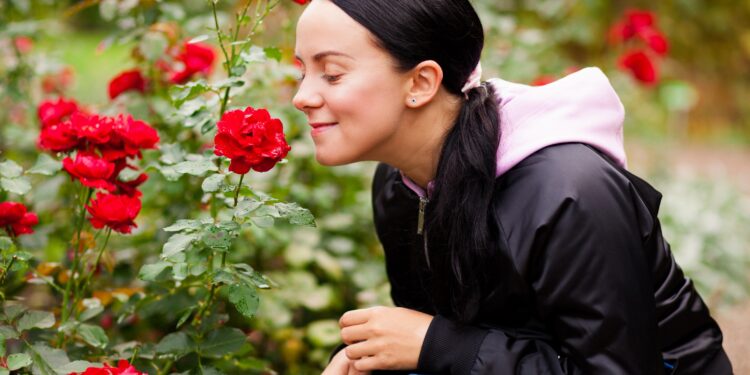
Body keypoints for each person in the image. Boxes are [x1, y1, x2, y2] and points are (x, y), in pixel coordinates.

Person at [291, 1, 734, 374]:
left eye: (331, 74)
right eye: (301, 71)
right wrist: (360, 359)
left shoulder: (568, 192)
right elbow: (430, 336)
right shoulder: (398, 184)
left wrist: (438, 347)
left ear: (421, 82)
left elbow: (616, 367)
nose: (302, 96)